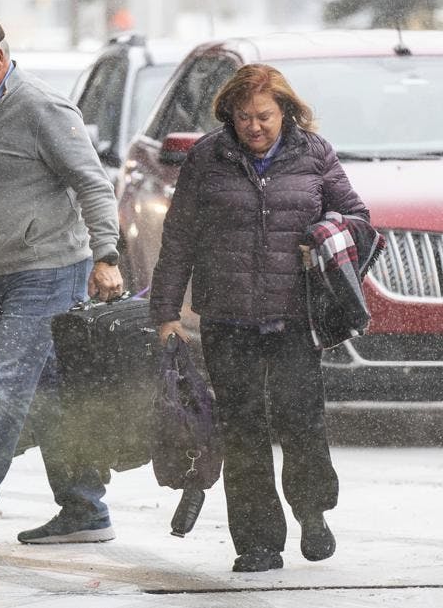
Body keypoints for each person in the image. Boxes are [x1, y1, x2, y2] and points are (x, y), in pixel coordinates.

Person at [150, 63, 369, 572]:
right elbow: (178, 239)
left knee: (302, 423)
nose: (255, 127)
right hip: (228, 320)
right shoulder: (208, 158)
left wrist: (326, 232)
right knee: (243, 431)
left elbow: (359, 219)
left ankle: (312, 512)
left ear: (285, 111)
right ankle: (258, 543)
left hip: (296, 318)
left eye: (265, 116)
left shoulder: (314, 154)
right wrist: (165, 313)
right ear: (229, 115)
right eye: (244, 117)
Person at [0, 8, 124, 546]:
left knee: (6, 384)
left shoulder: (41, 108)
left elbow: (93, 185)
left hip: (51, 269)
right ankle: (85, 509)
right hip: (0, 273)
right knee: (51, 390)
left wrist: (107, 255)